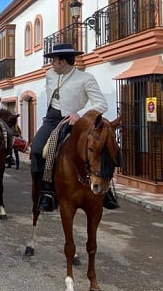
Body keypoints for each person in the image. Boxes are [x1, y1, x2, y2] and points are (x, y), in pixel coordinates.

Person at [32, 43, 114, 212]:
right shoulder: (50, 75)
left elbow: (101, 104)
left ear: (63, 62)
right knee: (37, 150)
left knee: (104, 148)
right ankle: (47, 191)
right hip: (51, 120)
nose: (51, 63)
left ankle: (108, 190)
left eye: (53, 60)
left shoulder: (86, 78)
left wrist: (79, 114)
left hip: (74, 121)